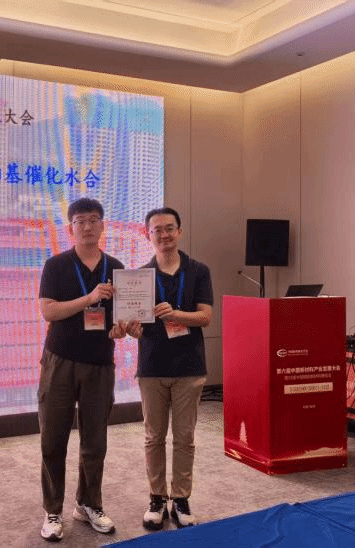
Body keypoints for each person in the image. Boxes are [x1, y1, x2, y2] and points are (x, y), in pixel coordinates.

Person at [37, 197, 125, 542]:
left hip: (100, 362)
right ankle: (52, 510)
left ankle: (88, 504)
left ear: (102, 225)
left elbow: (121, 318)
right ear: (70, 228)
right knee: (53, 438)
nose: (87, 226)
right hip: (59, 360)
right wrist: (89, 299)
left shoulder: (117, 267)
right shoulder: (56, 265)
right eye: (80, 221)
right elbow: (49, 311)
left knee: (95, 441)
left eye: (93, 220)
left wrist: (121, 328)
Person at [124, 207, 213, 530]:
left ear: (179, 231)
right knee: (153, 437)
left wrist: (176, 315)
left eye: (169, 228)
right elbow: (134, 325)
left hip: (189, 366)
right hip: (152, 366)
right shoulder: (139, 277)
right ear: (148, 235)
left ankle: (181, 498)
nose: (163, 235)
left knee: (185, 437)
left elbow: (205, 317)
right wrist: (132, 329)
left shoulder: (198, 271)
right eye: (157, 230)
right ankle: (157, 498)